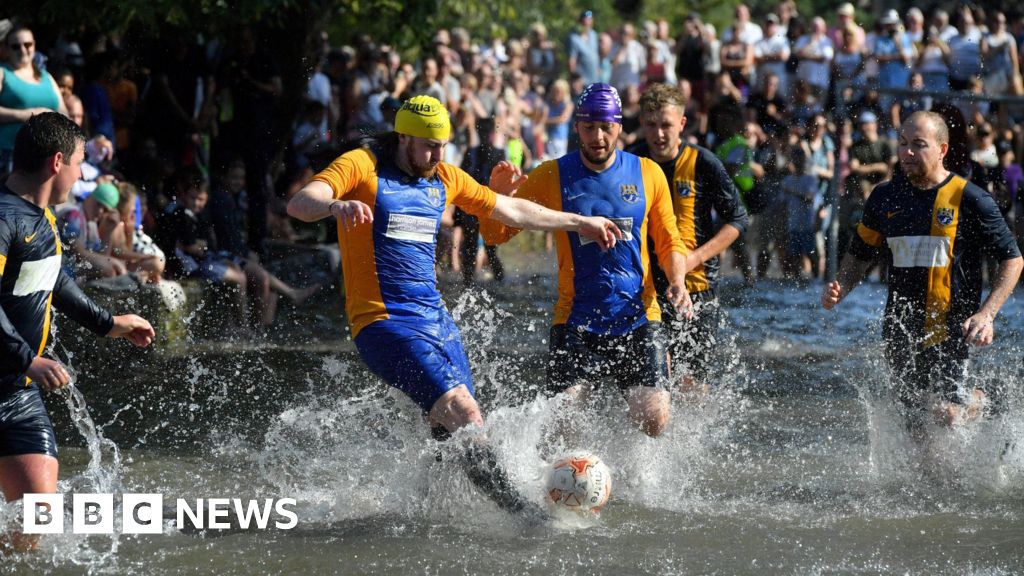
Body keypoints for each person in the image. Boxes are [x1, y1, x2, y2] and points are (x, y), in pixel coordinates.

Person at [286, 95, 620, 518]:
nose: (438, 155)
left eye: (444, 145)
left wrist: (579, 222)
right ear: (404, 136)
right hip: (382, 321)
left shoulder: (444, 175)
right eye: (428, 146)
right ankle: (525, 518)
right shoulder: (363, 165)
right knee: (466, 413)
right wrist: (336, 204)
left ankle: (422, 514)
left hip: (435, 321)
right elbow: (300, 202)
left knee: (451, 434)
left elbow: (510, 209)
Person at [482, 83, 692, 438]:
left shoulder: (647, 173)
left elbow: (669, 240)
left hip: (638, 315)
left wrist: (677, 281)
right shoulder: (552, 174)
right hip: (576, 318)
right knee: (563, 429)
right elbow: (496, 235)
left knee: (654, 422)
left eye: (606, 127)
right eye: (589, 127)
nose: (598, 136)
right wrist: (498, 196)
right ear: (576, 127)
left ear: (620, 127)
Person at [0, 113, 155, 552]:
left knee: (33, 522)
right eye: (80, 162)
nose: (82, 172)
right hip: (19, 367)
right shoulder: (3, 218)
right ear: (56, 162)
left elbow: (53, 277)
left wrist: (109, 324)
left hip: (15, 390)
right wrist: (26, 356)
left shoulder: (43, 218)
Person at [822, 111, 1023, 434]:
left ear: (942, 149)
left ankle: (984, 402)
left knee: (946, 413)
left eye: (918, 144)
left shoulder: (970, 199)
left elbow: (1013, 260)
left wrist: (987, 314)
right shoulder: (885, 197)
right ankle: (934, 484)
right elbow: (861, 252)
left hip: (952, 326)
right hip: (900, 327)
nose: (907, 152)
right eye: (903, 143)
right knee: (915, 423)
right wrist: (842, 286)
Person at [630, 83, 748, 394]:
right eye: (651, 125)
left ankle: (689, 441)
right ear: (641, 122)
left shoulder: (704, 163)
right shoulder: (631, 162)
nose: (659, 134)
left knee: (691, 383)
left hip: (696, 287)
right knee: (650, 377)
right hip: (646, 287)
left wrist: (694, 258)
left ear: (682, 123)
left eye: (666, 125)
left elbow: (737, 220)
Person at [0, 25, 68, 173]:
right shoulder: (3, 72)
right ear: (6, 49)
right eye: (15, 46)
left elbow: (64, 114)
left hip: (47, 158)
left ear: (34, 45)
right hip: (10, 156)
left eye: (27, 44)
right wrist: (26, 115)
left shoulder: (46, 76)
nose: (23, 50)